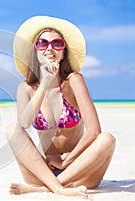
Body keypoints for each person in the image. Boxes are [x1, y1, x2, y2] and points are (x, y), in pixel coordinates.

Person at [6, 16, 116, 198]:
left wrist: (66, 160)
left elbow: (94, 131)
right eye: (42, 43)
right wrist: (45, 82)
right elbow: (24, 123)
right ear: (36, 51)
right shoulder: (25, 88)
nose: (49, 47)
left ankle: (46, 190)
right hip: (43, 172)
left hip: (79, 170)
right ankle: (54, 187)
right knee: (12, 129)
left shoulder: (74, 81)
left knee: (107, 139)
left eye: (57, 43)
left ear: (63, 52)